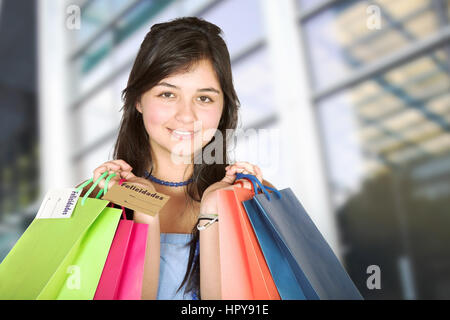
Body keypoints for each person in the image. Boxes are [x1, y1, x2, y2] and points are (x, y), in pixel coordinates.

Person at [80, 16, 274, 300]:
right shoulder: (92, 198)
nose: (186, 115)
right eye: (168, 94)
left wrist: (214, 208)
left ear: (223, 106)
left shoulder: (252, 198)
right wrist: (144, 207)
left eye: (204, 98)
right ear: (137, 100)